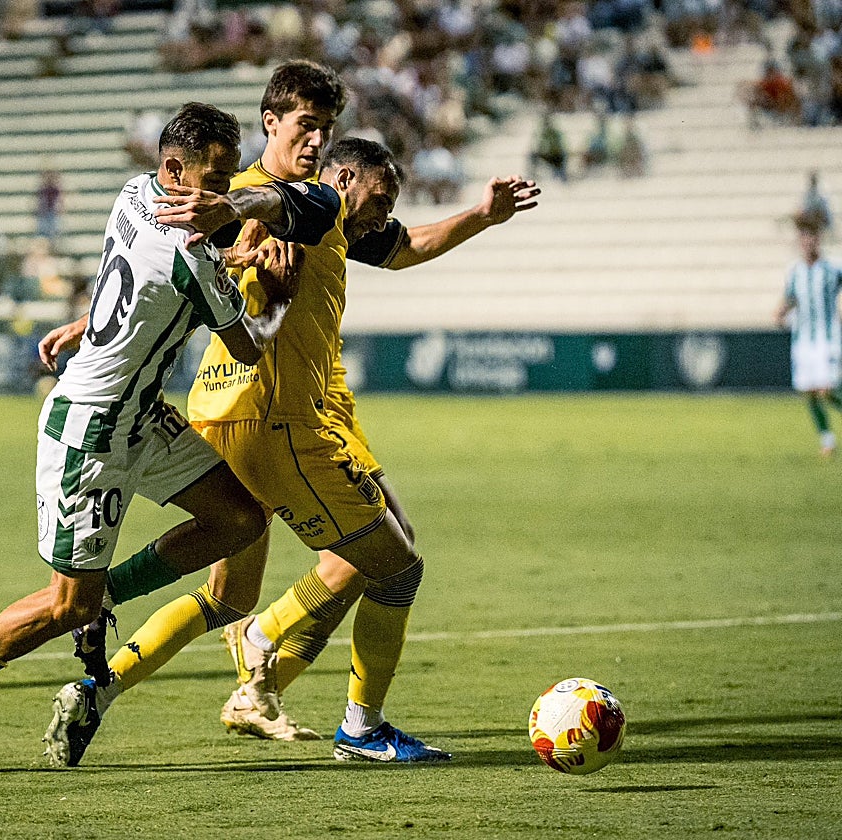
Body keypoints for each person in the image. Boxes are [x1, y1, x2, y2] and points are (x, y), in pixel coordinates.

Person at [40, 60, 540, 764]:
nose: (317, 138)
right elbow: (196, 246)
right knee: (395, 566)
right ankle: (359, 727)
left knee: (225, 599)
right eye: (307, 124)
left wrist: (482, 217)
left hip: (225, 415)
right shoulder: (235, 192)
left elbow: (388, 243)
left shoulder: (303, 204)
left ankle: (98, 686)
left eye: (326, 127)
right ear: (271, 121)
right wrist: (96, 315)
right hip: (273, 420)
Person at [0, 101, 341, 773]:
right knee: (64, 606)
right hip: (92, 430)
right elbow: (248, 346)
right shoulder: (192, 253)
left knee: (239, 519)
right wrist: (274, 290)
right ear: (173, 168)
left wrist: (88, 323)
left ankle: (105, 600)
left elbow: (139, 274)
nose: (223, 196)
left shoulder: (134, 194)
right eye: (215, 180)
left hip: (141, 414)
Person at [775, 213, 842, 456]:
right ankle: (827, 440)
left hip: (827, 338)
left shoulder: (833, 269)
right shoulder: (795, 272)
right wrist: (780, 312)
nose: (807, 241)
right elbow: (790, 299)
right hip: (803, 340)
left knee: (828, 389)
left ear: (818, 240)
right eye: (803, 237)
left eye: (811, 237)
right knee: (810, 391)